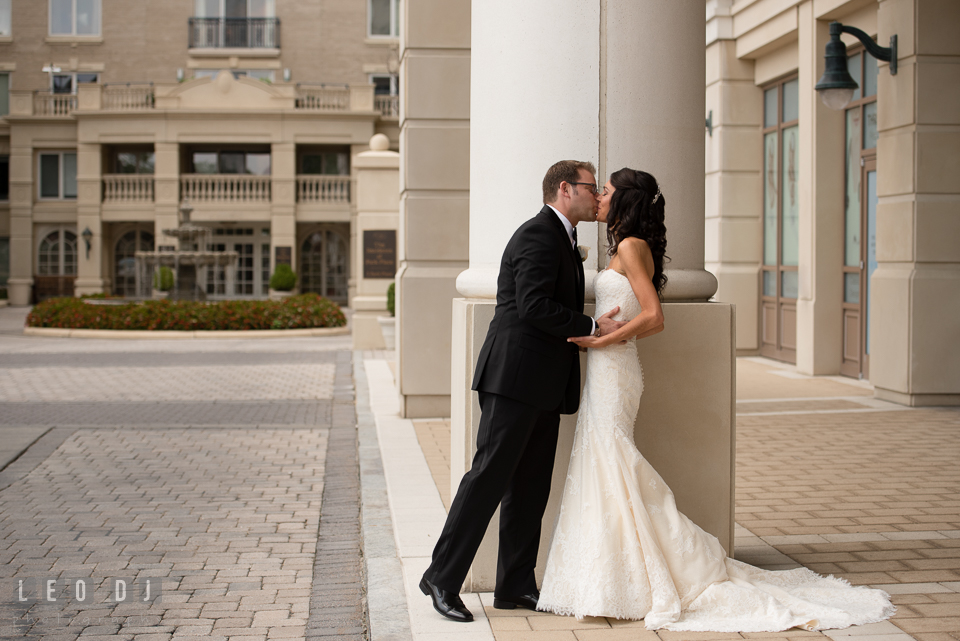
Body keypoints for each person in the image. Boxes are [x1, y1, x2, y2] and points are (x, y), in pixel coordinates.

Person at [536, 168, 895, 632]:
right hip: (606, 371)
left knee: (612, 460)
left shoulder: (630, 247)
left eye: (605, 191)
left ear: (623, 198)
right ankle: (608, 580)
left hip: (616, 368)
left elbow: (655, 317)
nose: (599, 197)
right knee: (604, 463)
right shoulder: (622, 245)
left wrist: (609, 339)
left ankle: (643, 576)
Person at [419, 160, 627, 622]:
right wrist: (592, 325)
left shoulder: (566, 240)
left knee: (530, 487)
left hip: (544, 383)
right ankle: (441, 578)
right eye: (592, 188)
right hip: (514, 378)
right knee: (487, 478)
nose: (597, 198)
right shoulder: (537, 234)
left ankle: (515, 584)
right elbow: (533, 306)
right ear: (564, 188)